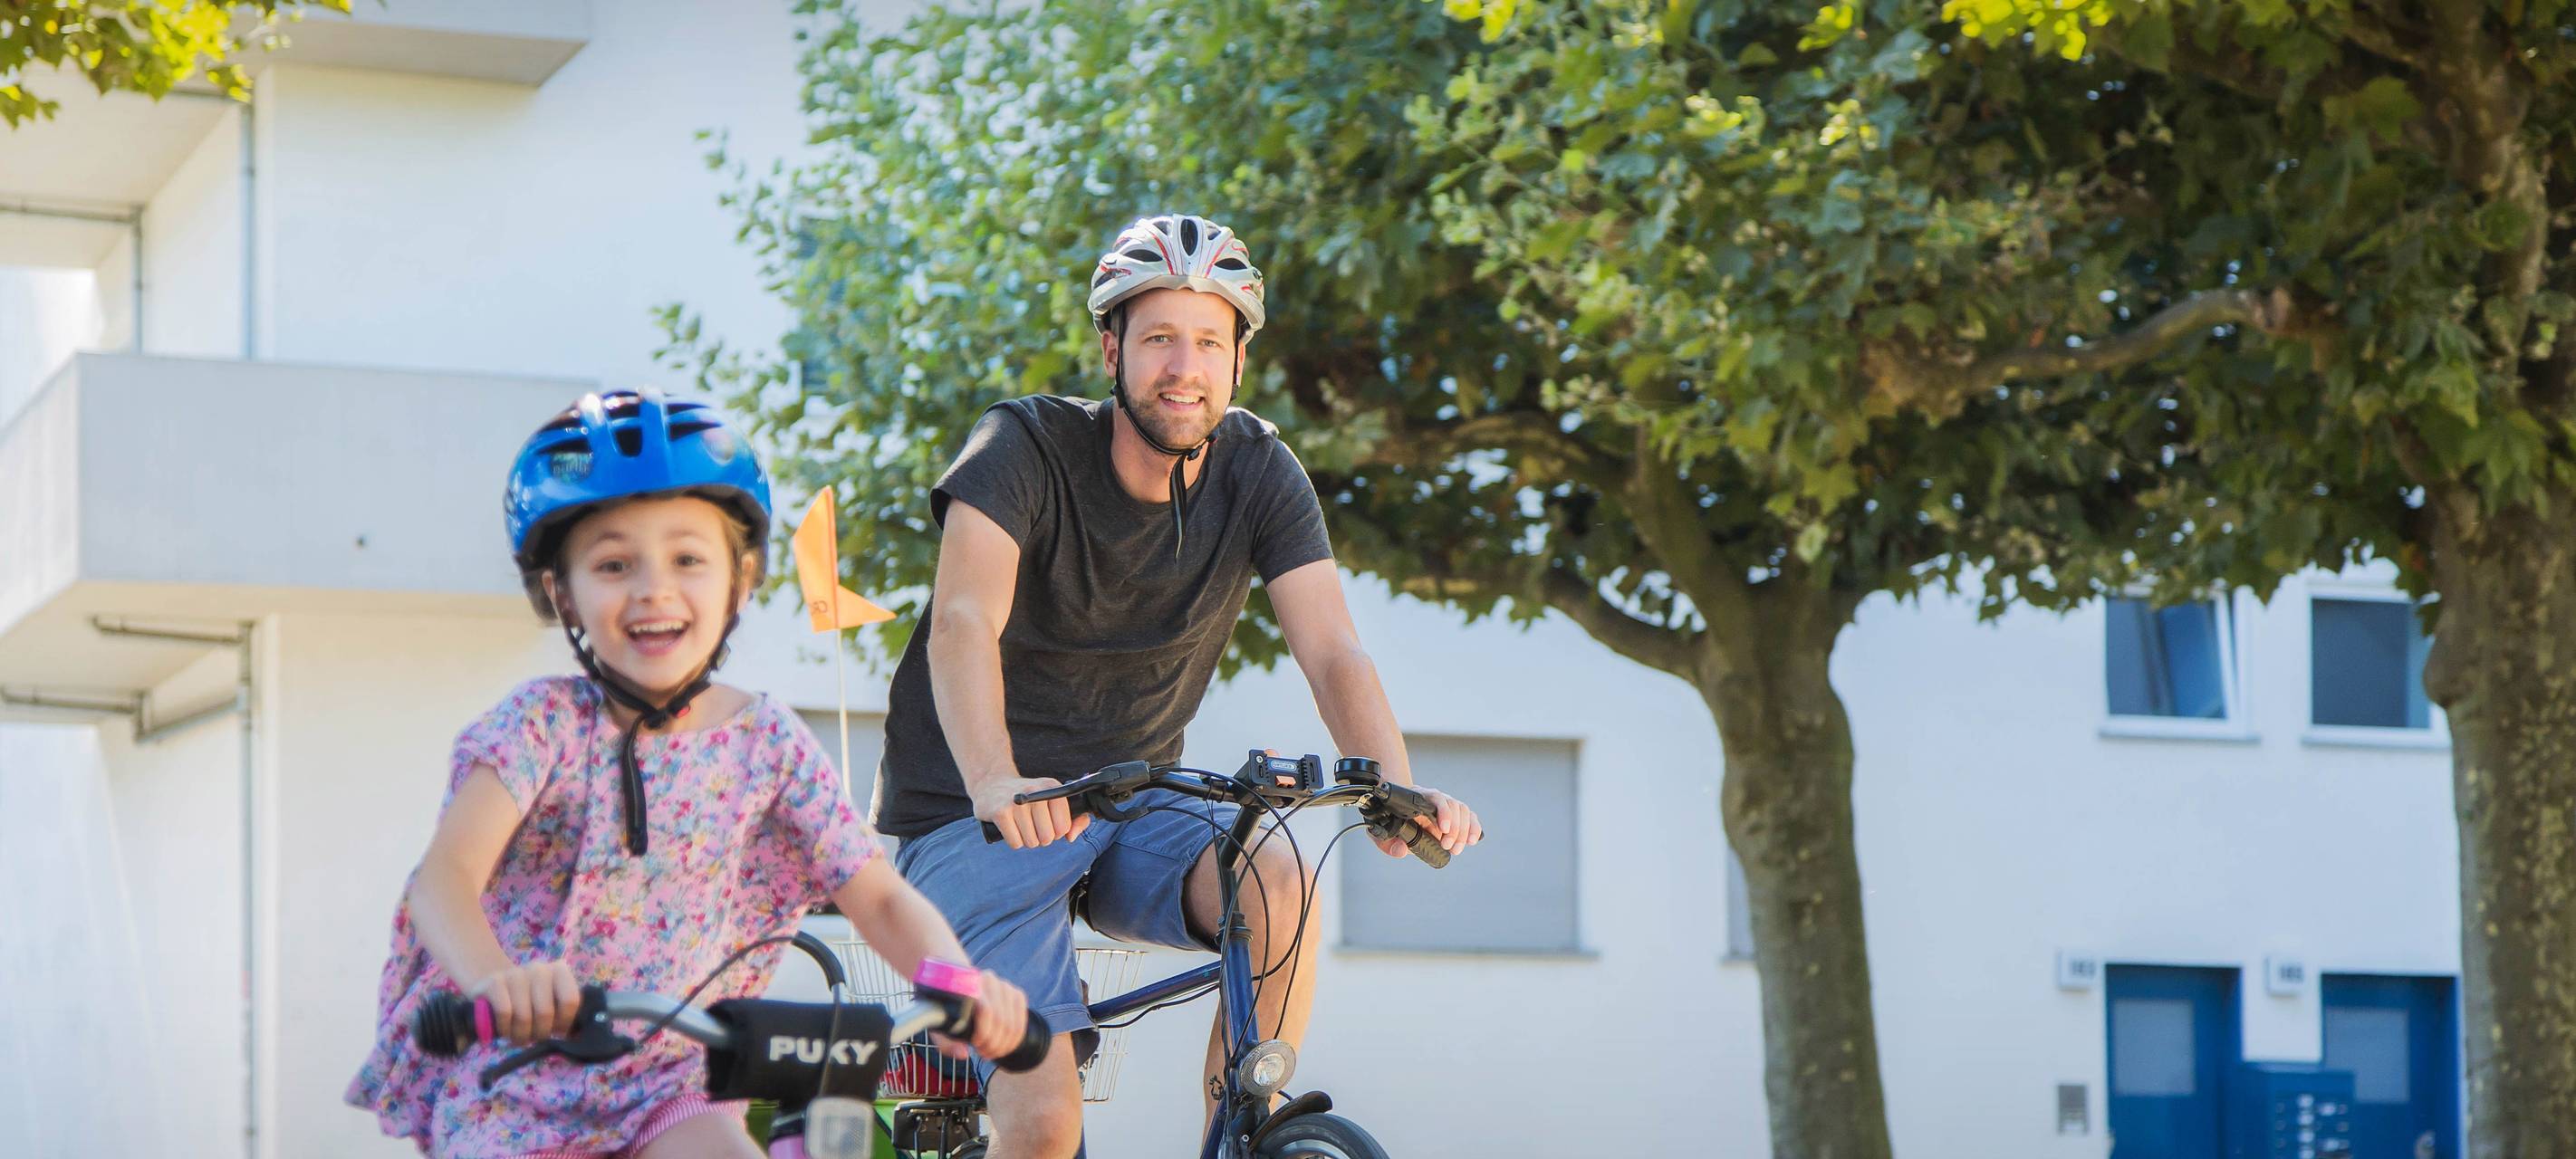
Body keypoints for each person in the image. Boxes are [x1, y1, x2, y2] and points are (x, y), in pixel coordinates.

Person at [874, 214, 1485, 1158]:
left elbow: (1333, 651)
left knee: (1274, 871)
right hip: (970, 816)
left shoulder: (1259, 470)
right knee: (1041, 1121)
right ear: (1112, 346)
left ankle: (1238, 1130)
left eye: (1208, 340)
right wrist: (995, 778)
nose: (1182, 367)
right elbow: (962, 620)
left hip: (1129, 803)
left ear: (1239, 359)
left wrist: (1391, 787)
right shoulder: (1021, 447)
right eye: (1159, 337)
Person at [346, 389, 1029, 1158]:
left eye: (688, 558)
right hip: (516, 1080)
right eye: (612, 563)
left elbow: (876, 896)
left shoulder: (767, 743)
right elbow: (443, 880)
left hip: (670, 1081)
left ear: (740, 579)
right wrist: (499, 979)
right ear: (560, 591)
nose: (653, 589)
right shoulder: (539, 728)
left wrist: (956, 984)